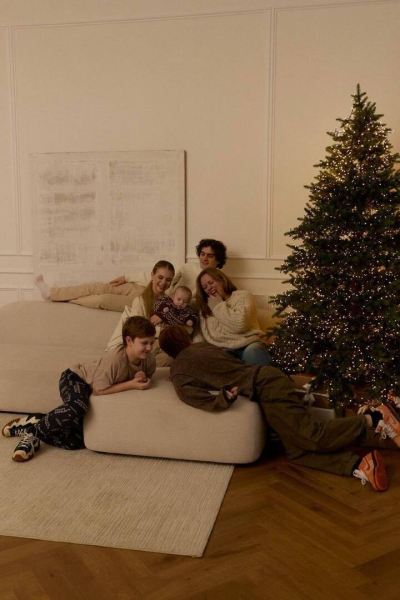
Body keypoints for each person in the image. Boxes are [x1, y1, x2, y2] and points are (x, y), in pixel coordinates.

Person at [158, 325, 400, 492]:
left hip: (266, 386)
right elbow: (228, 368)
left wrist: (221, 398)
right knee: (297, 451)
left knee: (310, 434)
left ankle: (375, 417)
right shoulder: (204, 347)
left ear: (168, 351)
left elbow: (192, 397)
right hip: (266, 380)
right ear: (186, 339)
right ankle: (360, 465)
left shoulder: (179, 369)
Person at [2, 316, 156, 462]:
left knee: (77, 441)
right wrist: (131, 384)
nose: (149, 348)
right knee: (78, 406)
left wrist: (141, 378)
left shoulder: (148, 359)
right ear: (129, 340)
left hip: (89, 387)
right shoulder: (115, 359)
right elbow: (99, 390)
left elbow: (146, 375)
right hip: (75, 378)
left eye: (152, 342)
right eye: (144, 343)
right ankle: (32, 435)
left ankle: (37, 422)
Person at [110, 238, 228, 303]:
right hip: (155, 289)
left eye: (210, 256)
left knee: (105, 300)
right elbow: (163, 278)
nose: (204, 258)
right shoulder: (187, 267)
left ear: (218, 259)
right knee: (108, 287)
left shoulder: (219, 281)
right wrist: (126, 277)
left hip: (164, 301)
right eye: (202, 254)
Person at [196, 268, 271, 366]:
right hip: (223, 351)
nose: (209, 288)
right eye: (205, 287)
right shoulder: (204, 310)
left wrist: (218, 306)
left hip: (249, 344)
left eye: (211, 282)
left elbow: (240, 325)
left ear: (221, 280)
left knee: (252, 352)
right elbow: (202, 337)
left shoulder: (243, 296)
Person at [107, 261, 175, 363]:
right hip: (139, 344)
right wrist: (162, 331)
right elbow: (136, 331)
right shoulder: (140, 301)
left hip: (158, 345)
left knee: (171, 358)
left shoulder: (171, 302)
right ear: (152, 276)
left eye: (168, 280)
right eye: (160, 277)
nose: (164, 282)